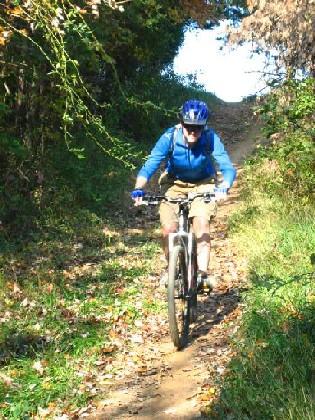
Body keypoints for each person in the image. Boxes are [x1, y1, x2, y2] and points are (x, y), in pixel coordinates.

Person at [131, 99, 236, 290]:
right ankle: (171, 270)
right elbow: (151, 164)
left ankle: (202, 275)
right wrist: (139, 188)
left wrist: (224, 187)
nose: (193, 132)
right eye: (189, 127)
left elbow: (227, 167)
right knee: (168, 230)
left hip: (203, 185)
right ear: (181, 123)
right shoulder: (170, 137)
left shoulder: (210, 138)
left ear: (204, 126)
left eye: (198, 128)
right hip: (175, 184)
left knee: (201, 224)